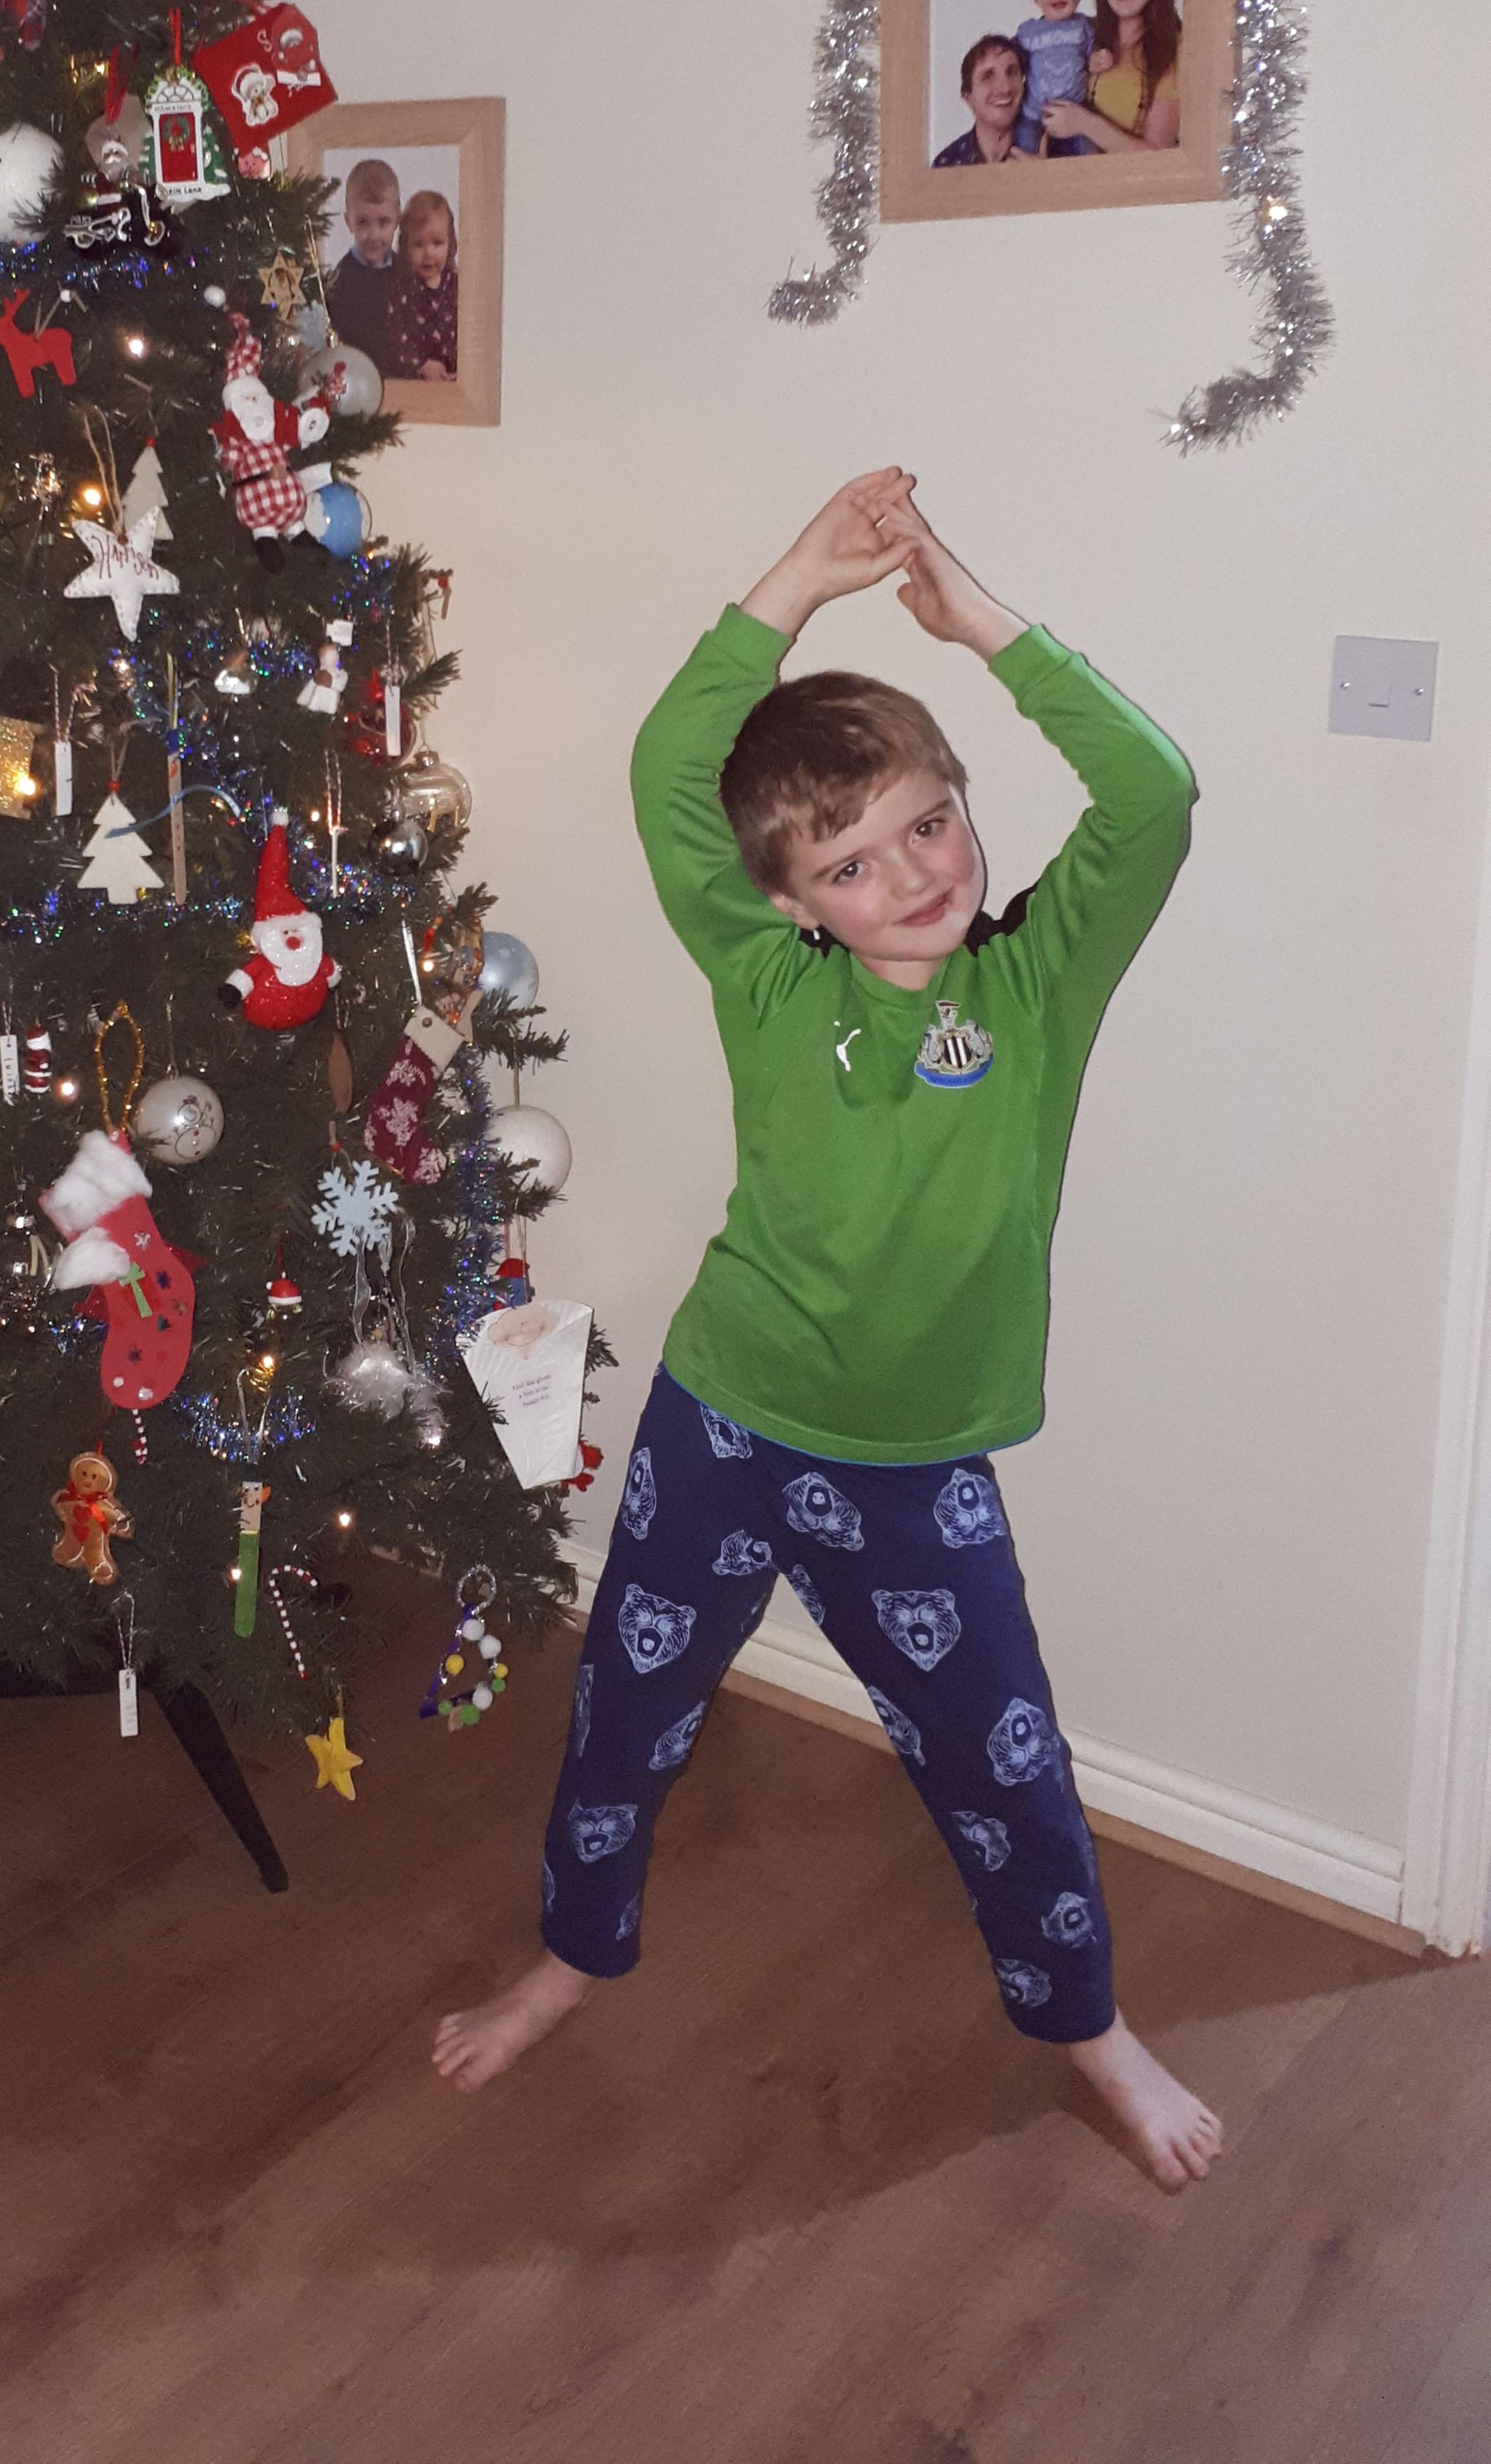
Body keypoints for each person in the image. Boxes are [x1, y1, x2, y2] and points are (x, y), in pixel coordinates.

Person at [433, 469, 1225, 2197]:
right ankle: (575, 1954)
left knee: (1003, 1767)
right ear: (794, 901)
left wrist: (972, 618)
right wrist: (795, 578)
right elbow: (666, 774)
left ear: (965, 810)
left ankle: (1087, 2023)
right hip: (723, 1419)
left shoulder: (1036, 985)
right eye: (852, 864)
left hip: (912, 1469)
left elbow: (1152, 794)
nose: (911, 875)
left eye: (929, 823)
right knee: (623, 1715)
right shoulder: (768, 981)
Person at [1039, 0, 1182, 155]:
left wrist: (1085, 123)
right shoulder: (1083, 32)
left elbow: (1158, 160)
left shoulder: (1177, 48)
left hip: (1128, 188)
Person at [1011, 0, 1097, 158]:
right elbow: (1011, 58)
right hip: (1033, 114)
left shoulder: (1083, 27)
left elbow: (1094, 53)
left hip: (1074, 112)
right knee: (1022, 153)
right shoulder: (1028, 32)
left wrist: (1099, 60)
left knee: (1088, 155)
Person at [324, 156, 400, 362]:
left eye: (384, 222)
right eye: (363, 223)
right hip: (357, 383)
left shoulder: (407, 273)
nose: (374, 235)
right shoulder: (340, 282)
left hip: (403, 384)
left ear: (398, 218)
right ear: (349, 222)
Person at [381, 187, 458, 379]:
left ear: (451, 244)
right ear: (406, 247)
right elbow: (394, 338)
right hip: (415, 381)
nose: (428, 253)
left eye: (437, 243)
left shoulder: (457, 284)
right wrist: (421, 366)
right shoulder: (402, 287)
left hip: (454, 381)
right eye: (418, 245)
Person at [930, 34, 1040, 168]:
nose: (1005, 88)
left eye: (1012, 72)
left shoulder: (1049, 151)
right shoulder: (947, 164)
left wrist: (1042, 176)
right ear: (968, 98)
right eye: (988, 76)